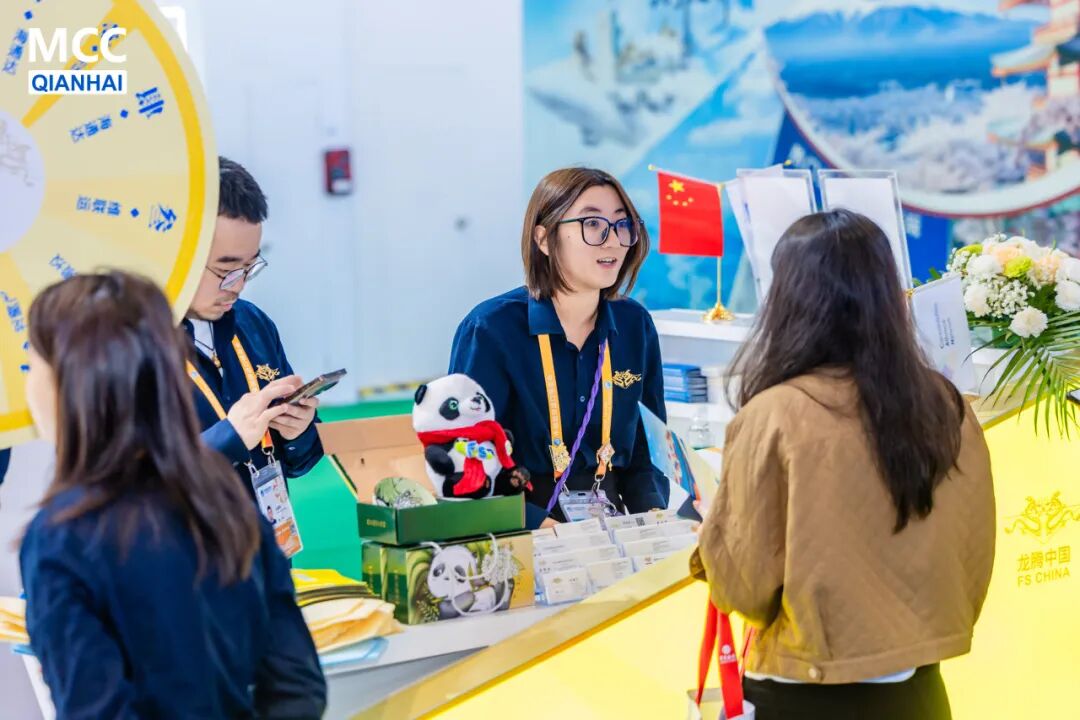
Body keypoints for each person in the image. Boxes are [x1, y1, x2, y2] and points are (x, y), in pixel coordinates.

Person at [692, 209, 995, 719]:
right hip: (920, 692)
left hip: (805, 694)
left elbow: (741, 587)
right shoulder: (945, 404)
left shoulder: (773, 414)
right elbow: (972, 554)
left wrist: (711, 538)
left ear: (787, 299)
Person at [19, 271, 326, 719]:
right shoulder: (227, 505)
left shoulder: (61, 538)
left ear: (71, 384)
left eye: (33, 364)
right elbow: (298, 686)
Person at [450, 167, 668, 529]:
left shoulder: (635, 325)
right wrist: (538, 526)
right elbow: (467, 460)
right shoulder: (491, 330)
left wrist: (653, 521)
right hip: (520, 528)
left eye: (622, 224)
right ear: (545, 239)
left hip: (610, 532)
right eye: (592, 224)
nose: (612, 240)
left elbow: (648, 449)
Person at [184, 157, 323, 500]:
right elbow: (133, 490)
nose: (238, 285)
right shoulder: (132, 352)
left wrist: (299, 432)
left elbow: (299, 461)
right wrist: (228, 438)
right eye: (225, 270)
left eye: (250, 267)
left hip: (267, 531)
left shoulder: (252, 323)